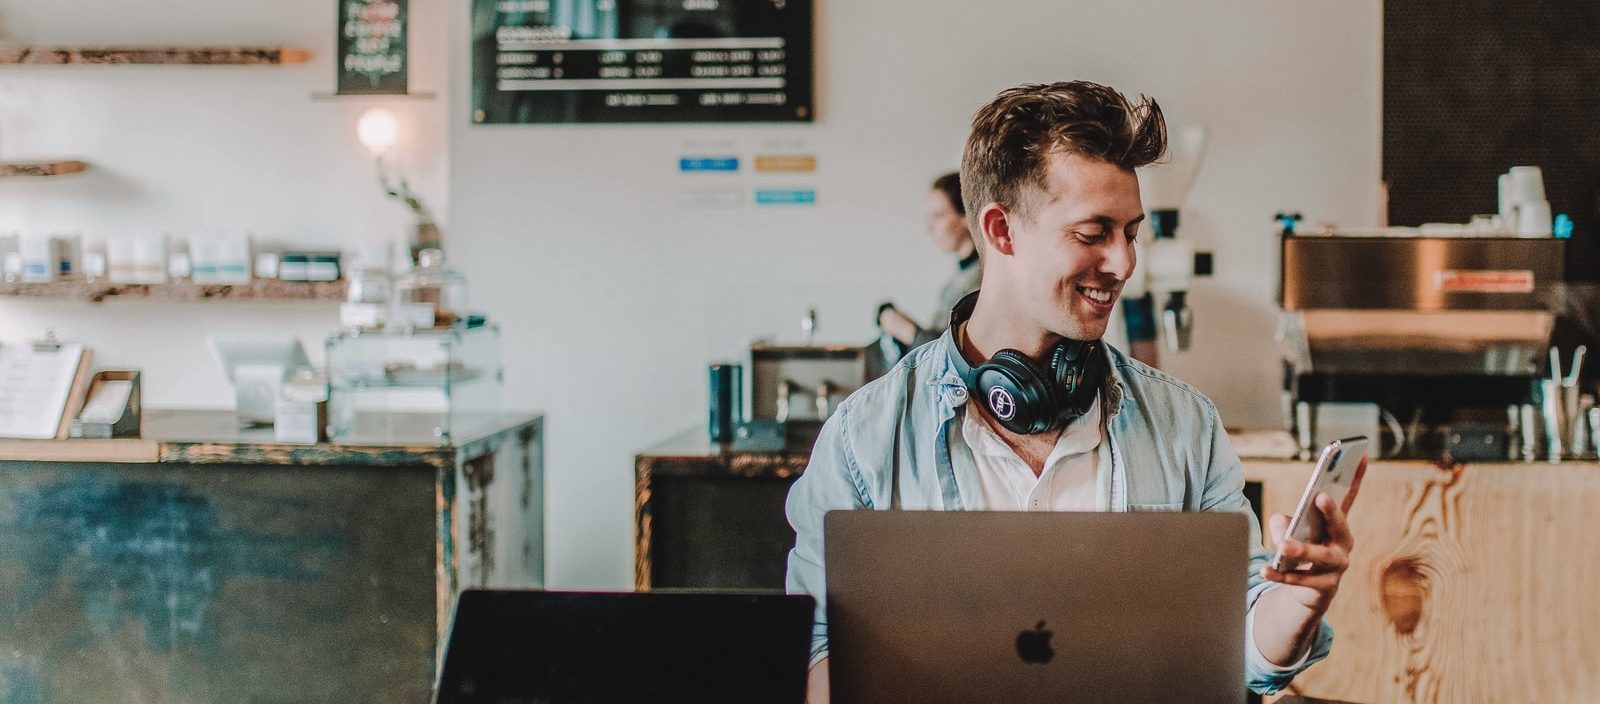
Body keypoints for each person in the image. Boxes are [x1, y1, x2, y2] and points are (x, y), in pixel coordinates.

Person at [785, 81, 1350, 702]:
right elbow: (814, 651)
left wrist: (1293, 606)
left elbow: (1236, 644)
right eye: (1092, 233)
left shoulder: (1184, 424)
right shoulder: (864, 438)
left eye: (1130, 232)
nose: (1123, 263)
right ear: (1001, 231)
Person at [876, 172, 983, 360]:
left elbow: (955, 356)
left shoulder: (982, 278)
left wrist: (906, 330)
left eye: (938, 216)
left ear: (965, 216)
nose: (929, 227)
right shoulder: (960, 275)